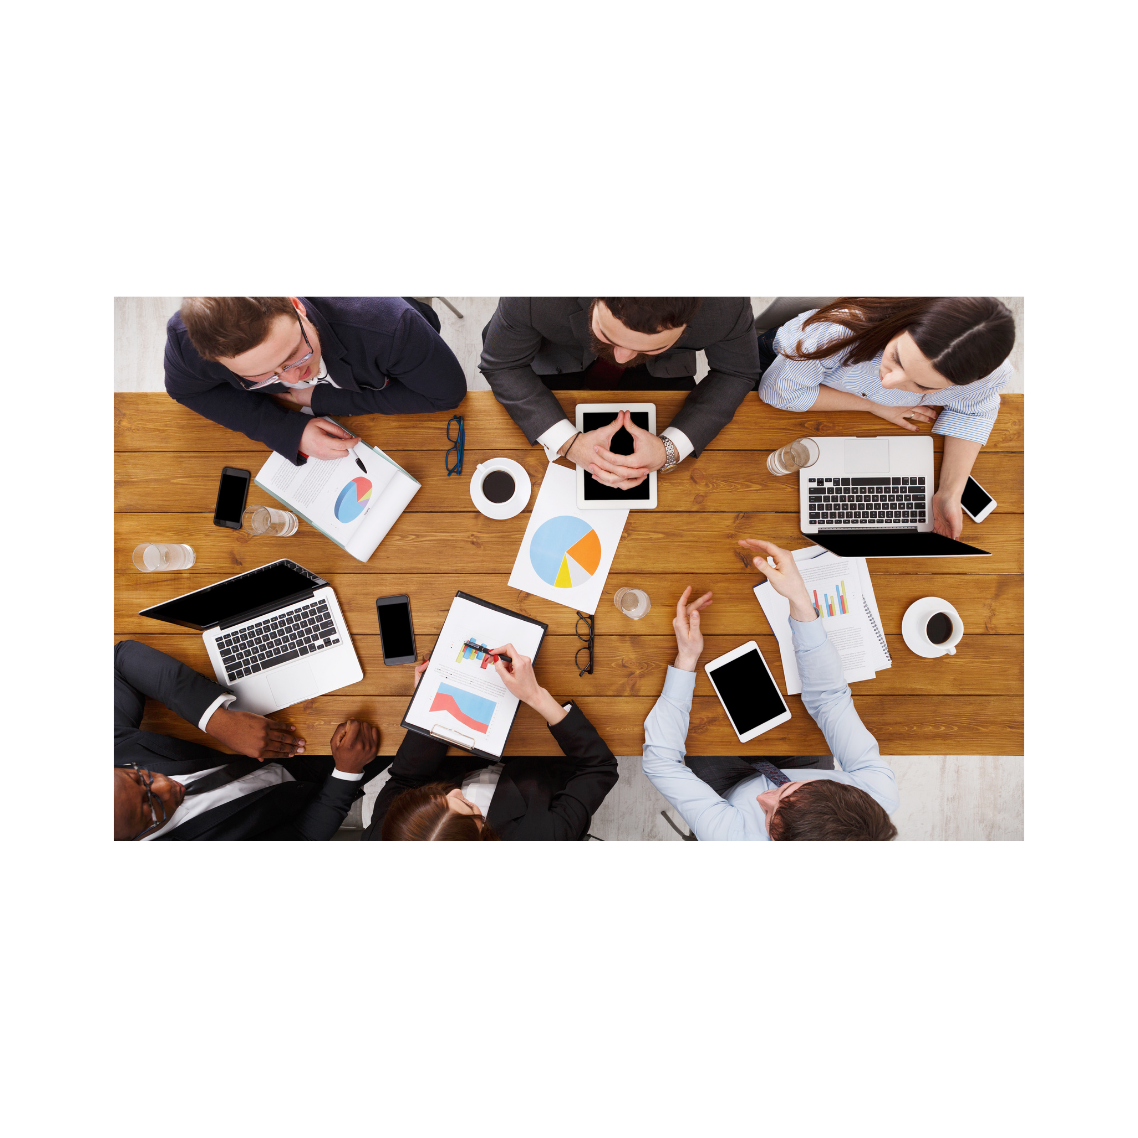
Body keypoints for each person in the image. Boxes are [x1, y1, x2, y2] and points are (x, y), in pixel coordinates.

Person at [641, 542, 899, 841]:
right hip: (803, 761)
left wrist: (685, 661)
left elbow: (660, 761)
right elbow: (829, 699)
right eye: (787, 793)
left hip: (727, 790)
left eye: (768, 817)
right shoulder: (875, 794)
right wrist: (800, 600)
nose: (763, 798)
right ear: (843, 788)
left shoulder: (731, 835)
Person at [757, 296, 1015, 539]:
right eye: (896, 358)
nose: (890, 383)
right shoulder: (838, 330)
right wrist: (875, 405)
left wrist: (950, 492)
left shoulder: (990, 375)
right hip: (784, 363)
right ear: (904, 324)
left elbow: (974, 410)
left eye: (922, 385)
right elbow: (780, 393)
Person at [479, 296, 761, 491]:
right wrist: (566, 443)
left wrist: (670, 450)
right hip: (560, 358)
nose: (623, 357)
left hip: (661, 373)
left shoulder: (726, 305)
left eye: (650, 346)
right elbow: (503, 363)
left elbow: (736, 371)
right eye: (607, 334)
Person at [113, 640, 385, 841]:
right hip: (323, 789)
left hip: (280, 725)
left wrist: (217, 721)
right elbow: (303, 835)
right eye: (152, 808)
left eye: (140, 778)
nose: (163, 784)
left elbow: (119, 662)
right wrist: (346, 773)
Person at [166, 295, 467, 464]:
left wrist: (321, 399)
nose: (295, 377)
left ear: (296, 306)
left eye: (296, 353)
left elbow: (445, 394)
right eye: (261, 375)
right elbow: (186, 391)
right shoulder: (187, 342)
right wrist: (288, 429)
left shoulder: (389, 326)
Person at [363, 649, 617, 841]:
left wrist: (429, 708)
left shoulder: (390, 833)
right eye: (466, 806)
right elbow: (600, 767)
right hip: (542, 754)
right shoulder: (542, 835)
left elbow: (404, 780)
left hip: (462, 744)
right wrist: (535, 696)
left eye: (433, 798)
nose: (451, 792)